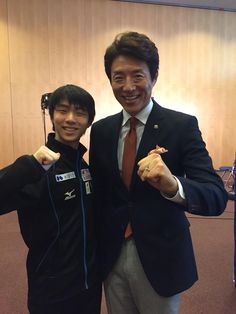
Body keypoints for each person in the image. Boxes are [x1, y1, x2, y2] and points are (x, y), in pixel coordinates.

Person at [89, 32, 228, 314]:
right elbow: (99, 195)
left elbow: (215, 195)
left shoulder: (181, 126)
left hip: (160, 257)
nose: (128, 87)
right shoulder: (101, 131)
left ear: (154, 76)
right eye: (118, 77)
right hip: (112, 255)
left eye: (137, 76)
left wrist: (172, 185)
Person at [0, 84, 102, 314]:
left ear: (89, 121)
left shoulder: (85, 166)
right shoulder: (37, 169)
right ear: (52, 114)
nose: (70, 119)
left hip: (89, 283)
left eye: (80, 113)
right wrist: (29, 165)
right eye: (63, 110)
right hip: (51, 286)